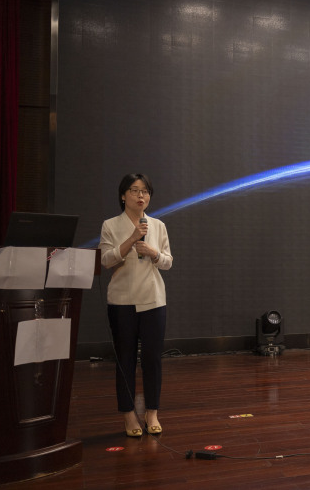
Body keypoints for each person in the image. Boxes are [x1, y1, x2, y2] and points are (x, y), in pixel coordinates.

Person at [99, 173, 172, 437]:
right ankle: (129, 414)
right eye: (134, 190)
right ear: (123, 196)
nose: (141, 196)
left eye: (145, 191)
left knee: (152, 359)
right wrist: (131, 239)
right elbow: (105, 260)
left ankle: (152, 412)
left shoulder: (158, 225)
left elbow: (168, 261)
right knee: (125, 360)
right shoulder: (110, 225)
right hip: (122, 302)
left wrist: (154, 253)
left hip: (153, 300)